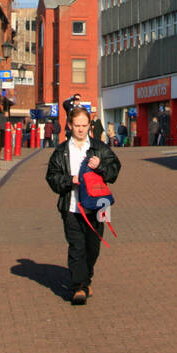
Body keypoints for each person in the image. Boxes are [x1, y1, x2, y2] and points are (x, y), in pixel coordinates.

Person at [45, 106, 121, 305]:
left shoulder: (99, 148)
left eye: (84, 125)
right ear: (69, 125)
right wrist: (72, 180)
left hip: (99, 207)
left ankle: (86, 278)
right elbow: (52, 177)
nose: (80, 129)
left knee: (92, 248)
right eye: (76, 125)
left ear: (90, 126)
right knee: (76, 247)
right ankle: (79, 287)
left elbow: (115, 170)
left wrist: (101, 167)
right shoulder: (61, 151)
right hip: (71, 207)